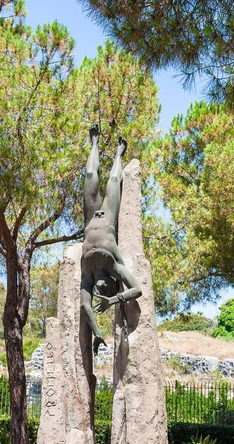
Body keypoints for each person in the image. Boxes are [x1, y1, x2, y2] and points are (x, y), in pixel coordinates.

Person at [81, 125, 142, 354]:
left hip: (90, 222)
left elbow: (85, 305)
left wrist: (98, 332)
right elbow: (136, 290)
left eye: (103, 292)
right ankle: (110, 150)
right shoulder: (115, 267)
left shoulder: (88, 275)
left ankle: (103, 147)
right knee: (111, 180)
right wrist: (115, 300)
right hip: (106, 217)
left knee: (96, 177)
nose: (103, 289)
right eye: (108, 290)